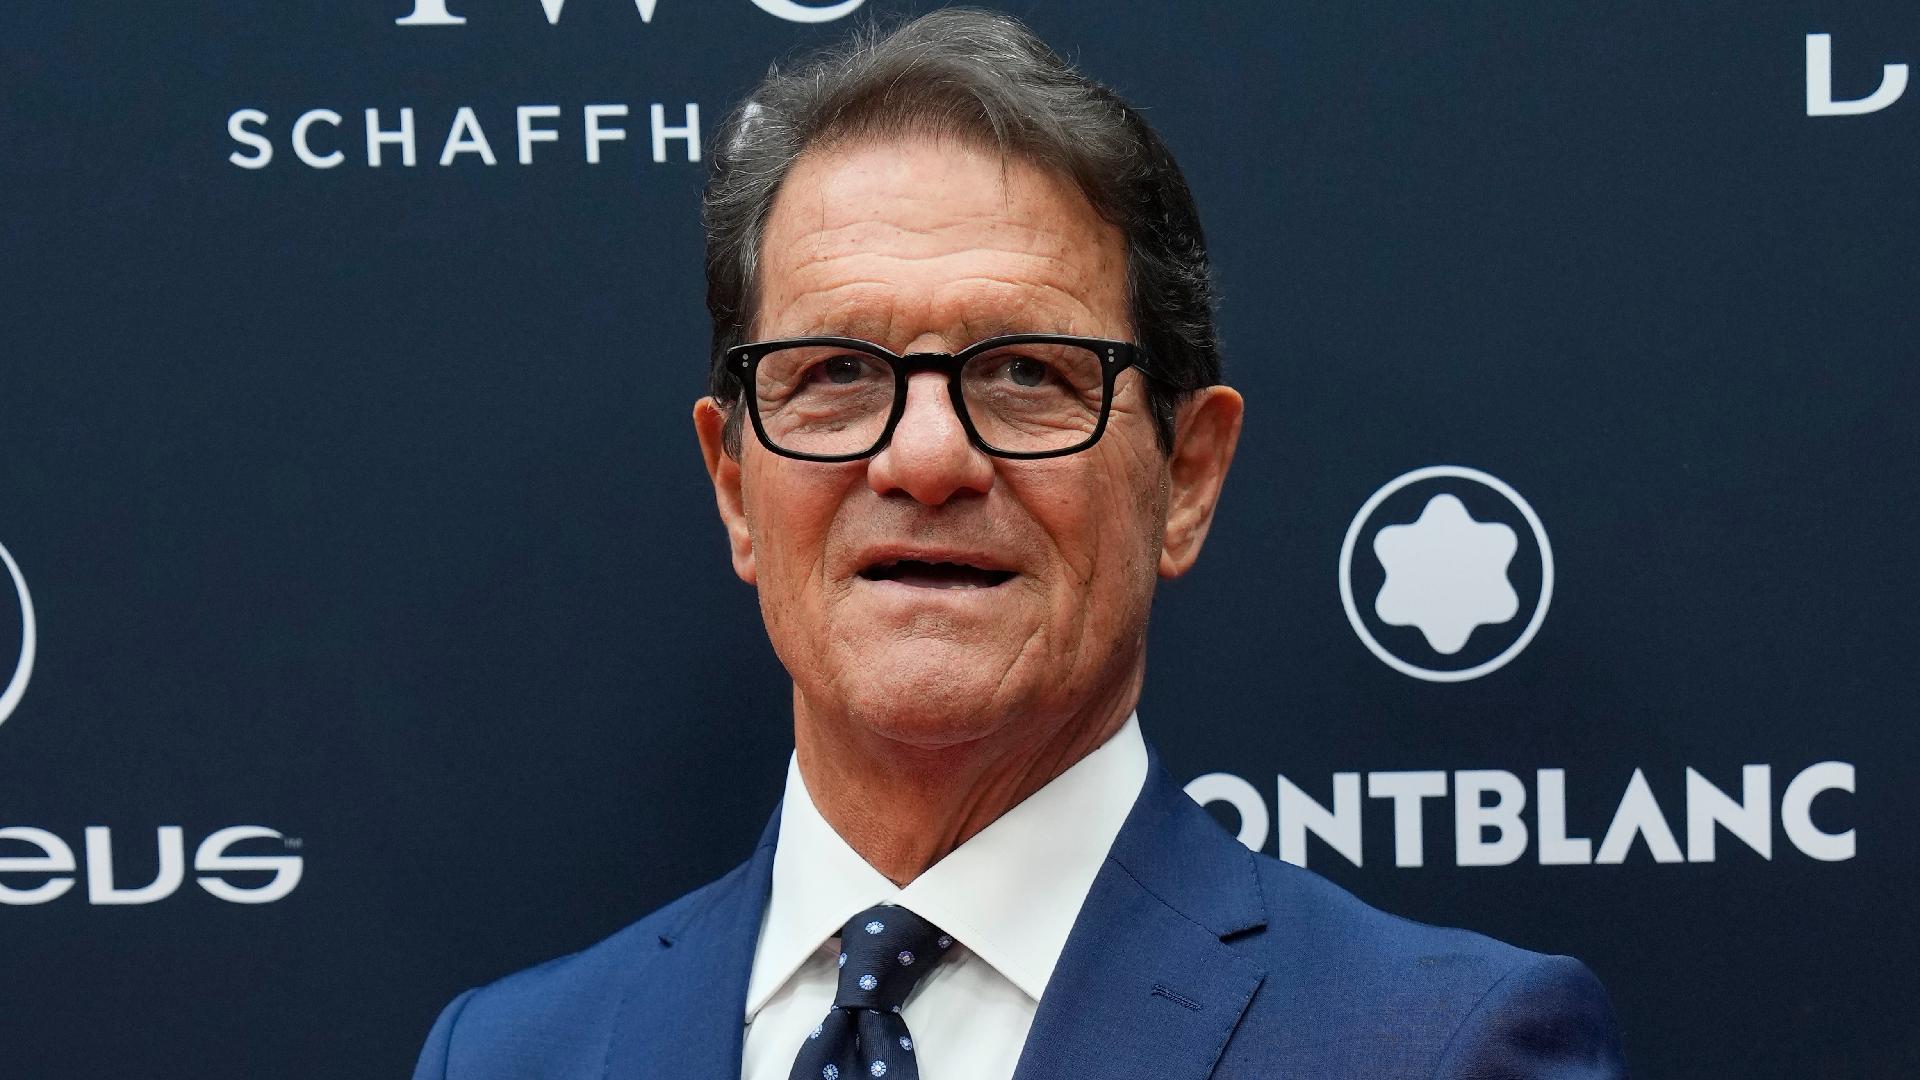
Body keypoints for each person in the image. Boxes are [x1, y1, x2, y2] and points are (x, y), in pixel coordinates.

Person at [413, 9, 1626, 1079]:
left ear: (1187, 477)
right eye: (835, 374)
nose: (925, 458)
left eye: (1027, 373)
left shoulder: (1437, 1048)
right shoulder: (507, 1056)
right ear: (735, 485)